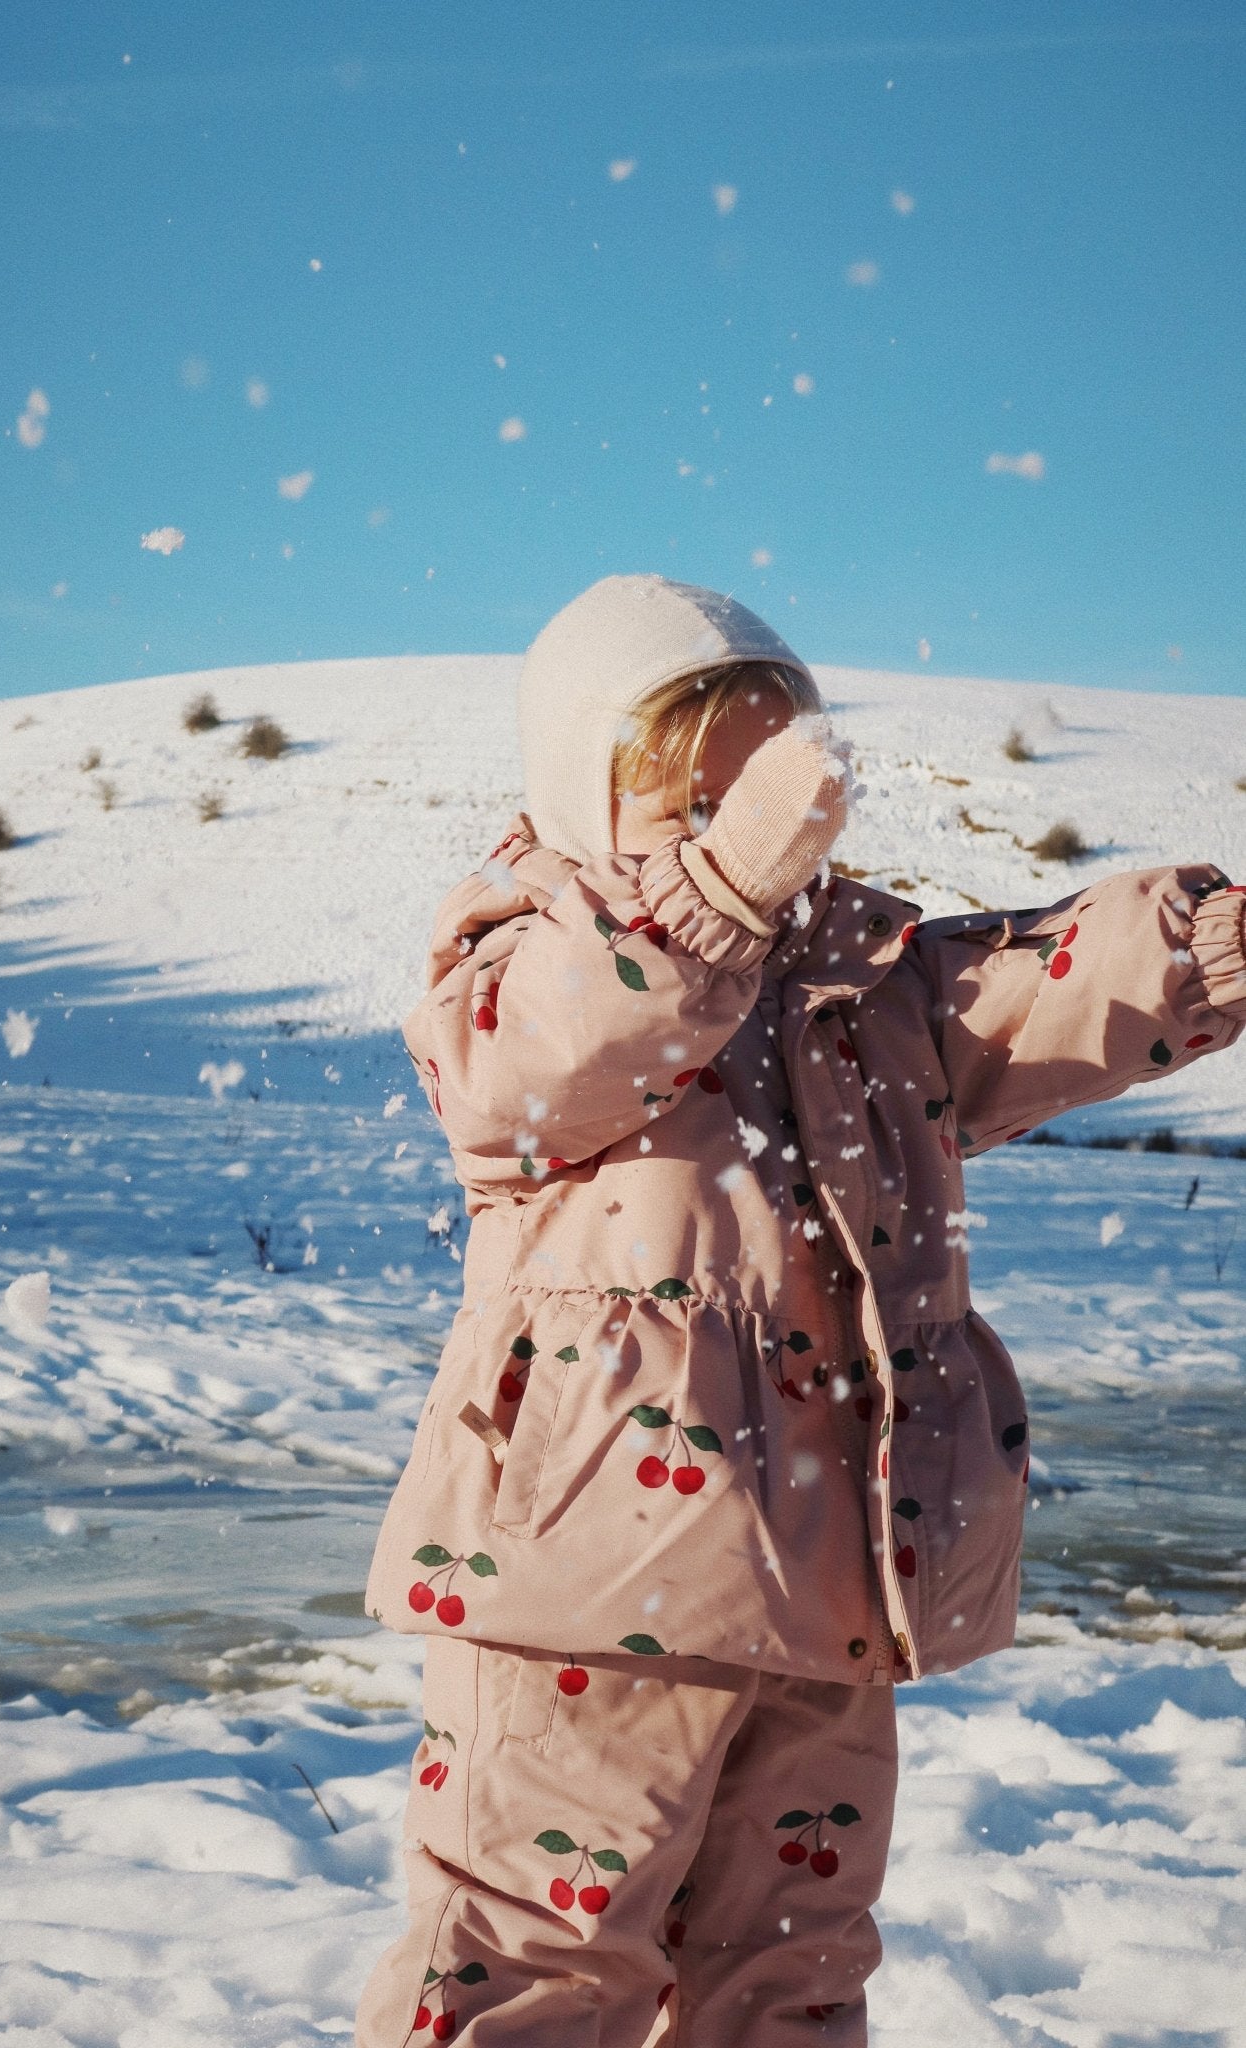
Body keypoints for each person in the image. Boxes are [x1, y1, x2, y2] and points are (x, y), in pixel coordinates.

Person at [356, 575, 1246, 2046]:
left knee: (791, 1970)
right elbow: (538, 1068)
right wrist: (710, 897)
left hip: (831, 1580)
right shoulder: (521, 954)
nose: (749, 844)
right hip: (586, 1575)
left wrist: (1208, 942)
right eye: (689, 805)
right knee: (529, 1956)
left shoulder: (868, 983)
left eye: (772, 788)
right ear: (583, 794)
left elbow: (1040, 986)